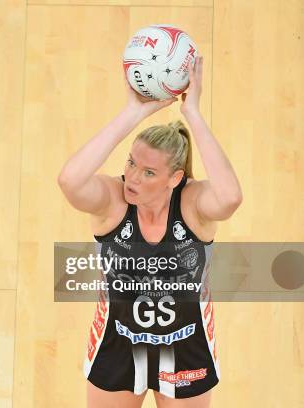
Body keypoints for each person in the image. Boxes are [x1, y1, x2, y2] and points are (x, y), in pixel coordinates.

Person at [57, 56, 242, 408]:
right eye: (131, 163)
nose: (133, 178)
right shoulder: (113, 201)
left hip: (186, 345)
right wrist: (133, 114)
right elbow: (69, 180)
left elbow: (231, 197)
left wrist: (195, 115)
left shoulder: (192, 204)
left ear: (175, 178)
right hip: (119, 342)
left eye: (149, 173)